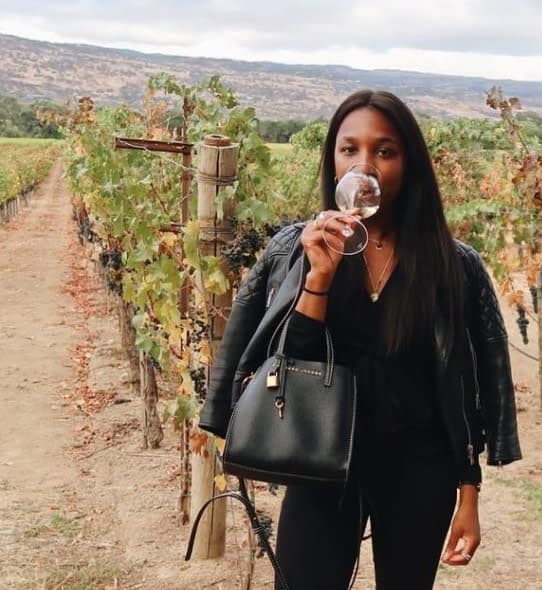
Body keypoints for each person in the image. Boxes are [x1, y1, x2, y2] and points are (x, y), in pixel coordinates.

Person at [198, 89, 523, 589]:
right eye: (350, 149)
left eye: (384, 151)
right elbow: (288, 362)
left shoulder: (452, 265)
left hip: (419, 472)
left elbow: (464, 388)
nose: (364, 165)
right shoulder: (297, 249)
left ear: (408, 163)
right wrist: (319, 277)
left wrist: (468, 493)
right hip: (321, 459)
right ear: (333, 160)